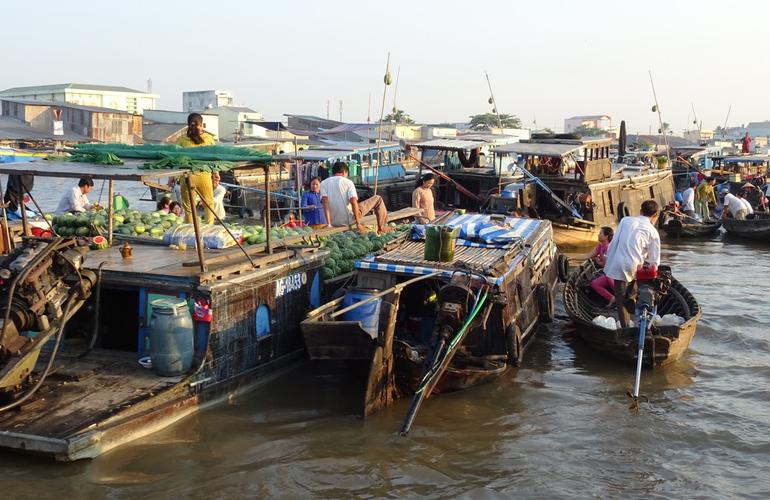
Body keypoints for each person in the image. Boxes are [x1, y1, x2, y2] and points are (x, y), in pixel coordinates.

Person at [604, 200, 661, 328]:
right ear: (655, 215)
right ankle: (638, 320)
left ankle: (626, 327)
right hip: (635, 267)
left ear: (640, 211)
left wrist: (608, 260)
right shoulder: (652, 232)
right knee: (637, 293)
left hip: (618, 263)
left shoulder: (625, 220)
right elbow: (654, 260)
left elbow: (613, 243)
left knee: (620, 299)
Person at [320, 161, 392, 234]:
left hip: (333, 222)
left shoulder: (323, 183)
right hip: (349, 220)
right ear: (345, 172)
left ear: (333, 172)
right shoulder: (348, 182)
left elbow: (325, 202)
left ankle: (329, 223)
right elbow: (353, 202)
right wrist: (358, 223)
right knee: (378, 199)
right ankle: (381, 228)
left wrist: (329, 224)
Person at [177, 113, 216, 224]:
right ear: (202, 124)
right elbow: (215, 158)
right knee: (208, 204)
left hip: (186, 177)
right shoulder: (208, 139)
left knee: (189, 208)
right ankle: (209, 229)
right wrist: (216, 174)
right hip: (204, 175)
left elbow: (176, 158)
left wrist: (173, 177)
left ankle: (191, 232)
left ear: (188, 125)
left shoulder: (182, 140)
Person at [589, 227, 615, 307]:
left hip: (613, 274)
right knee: (594, 283)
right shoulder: (600, 246)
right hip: (607, 273)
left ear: (606, 236)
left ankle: (621, 296)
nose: (598, 235)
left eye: (600, 233)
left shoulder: (608, 248)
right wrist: (572, 258)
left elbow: (604, 265)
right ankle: (612, 298)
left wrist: (597, 261)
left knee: (608, 277)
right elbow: (588, 255)